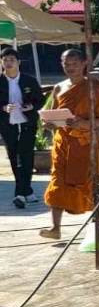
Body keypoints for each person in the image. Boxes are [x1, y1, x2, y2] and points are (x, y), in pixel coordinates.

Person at [39, 48, 99, 239]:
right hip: (62, 142)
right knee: (58, 183)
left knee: (87, 183)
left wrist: (84, 123)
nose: (70, 68)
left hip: (84, 143)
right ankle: (55, 228)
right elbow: (53, 113)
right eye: (66, 64)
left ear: (84, 64)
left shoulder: (93, 87)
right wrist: (48, 123)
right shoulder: (58, 87)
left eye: (74, 64)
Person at [0, 46, 44, 209]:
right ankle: (25, 191)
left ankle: (21, 192)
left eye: (12, 60)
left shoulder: (29, 80)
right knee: (14, 156)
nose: (8, 63)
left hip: (27, 123)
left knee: (26, 156)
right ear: (1, 63)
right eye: (5, 60)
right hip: (7, 124)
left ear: (18, 62)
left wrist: (30, 106)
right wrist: (4, 108)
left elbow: (40, 100)